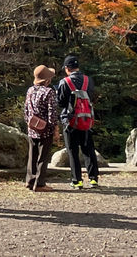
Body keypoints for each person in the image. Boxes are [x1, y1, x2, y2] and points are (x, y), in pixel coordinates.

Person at [56, 54, 99, 189]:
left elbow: (61, 102)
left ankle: (77, 180)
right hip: (86, 118)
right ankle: (93, 179)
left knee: (72, 150)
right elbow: (92, 97)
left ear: (67, 68)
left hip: (70, 120)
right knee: (88, 149)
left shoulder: (65, 82)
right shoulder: (88, 80)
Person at [24, 64, 59, 192]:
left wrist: (29, 123)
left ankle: (29, 181)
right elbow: (52, 112)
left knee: (32, 155)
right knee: (43, 157)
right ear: (47, 80)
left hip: (32, 127)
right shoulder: (49, 92)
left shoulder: (30, 90)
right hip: (45, 129)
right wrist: (54, 128)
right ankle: (39, 184)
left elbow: (26, 110)